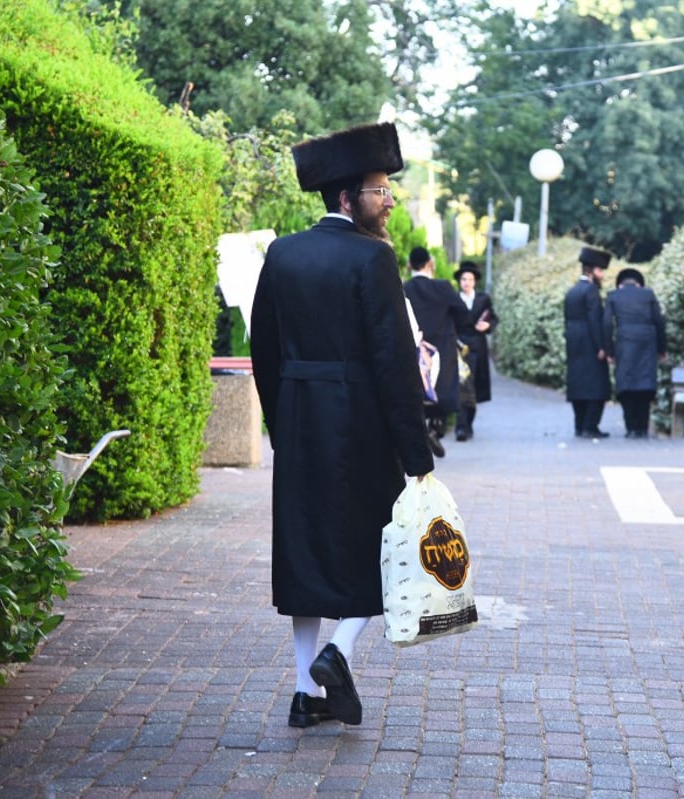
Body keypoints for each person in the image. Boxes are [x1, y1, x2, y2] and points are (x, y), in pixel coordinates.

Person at [249, 122, 435, 730]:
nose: (387, 201)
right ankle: (340, 651)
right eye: (380, 190)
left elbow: (264, 349)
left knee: (303, 551)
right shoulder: (372, 257)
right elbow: (393, 360)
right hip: (360, 426)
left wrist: (282, 421)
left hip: (301, 420)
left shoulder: (282, 253)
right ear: (347, 197)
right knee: (378, 548)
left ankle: (306, 694)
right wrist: (417, 451)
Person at [404, 246, 466, 455]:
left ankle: (421, 434)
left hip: (414, 348)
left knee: (417, 394)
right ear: (430, 263)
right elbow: (463, 315)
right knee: (441, 393)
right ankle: (435, 429)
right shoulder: (443, 287)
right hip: (441, 350)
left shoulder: (403, 288)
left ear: (409, 265)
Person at [603, 268, 667, 438]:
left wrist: (609, 351)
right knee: (645, 384)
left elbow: (607, 325)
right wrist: (662, 349)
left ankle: (631, 427)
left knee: (626, 384)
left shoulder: (613, 296)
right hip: (648, 342)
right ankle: (642, 428)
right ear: (638, 284)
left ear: (621, 284)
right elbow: (659, 322)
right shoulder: (648, 294)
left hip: (624, 343)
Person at [564, 247, 613, 438]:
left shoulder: (572, 291)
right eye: (600, 271)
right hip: (589, 343)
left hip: (574, 342)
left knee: (577, 384)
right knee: (596, 385)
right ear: (592, 271)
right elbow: (595, 320)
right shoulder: (591, 291)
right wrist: (602, 346)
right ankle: (590, 426)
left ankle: (579, 425)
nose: (602, 276)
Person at [452, 261, 497, 441]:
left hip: (478, 347)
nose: (467, 282)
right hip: (459, 347)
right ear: (459, 281)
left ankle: (468, 424)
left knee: (475, 389)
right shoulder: (454, 299)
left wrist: (487, 325)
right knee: (462, 386)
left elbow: (493, 319)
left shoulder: (483, 299)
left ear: (475, 281)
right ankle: (460, 428)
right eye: (463, 279)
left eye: (470, 279)